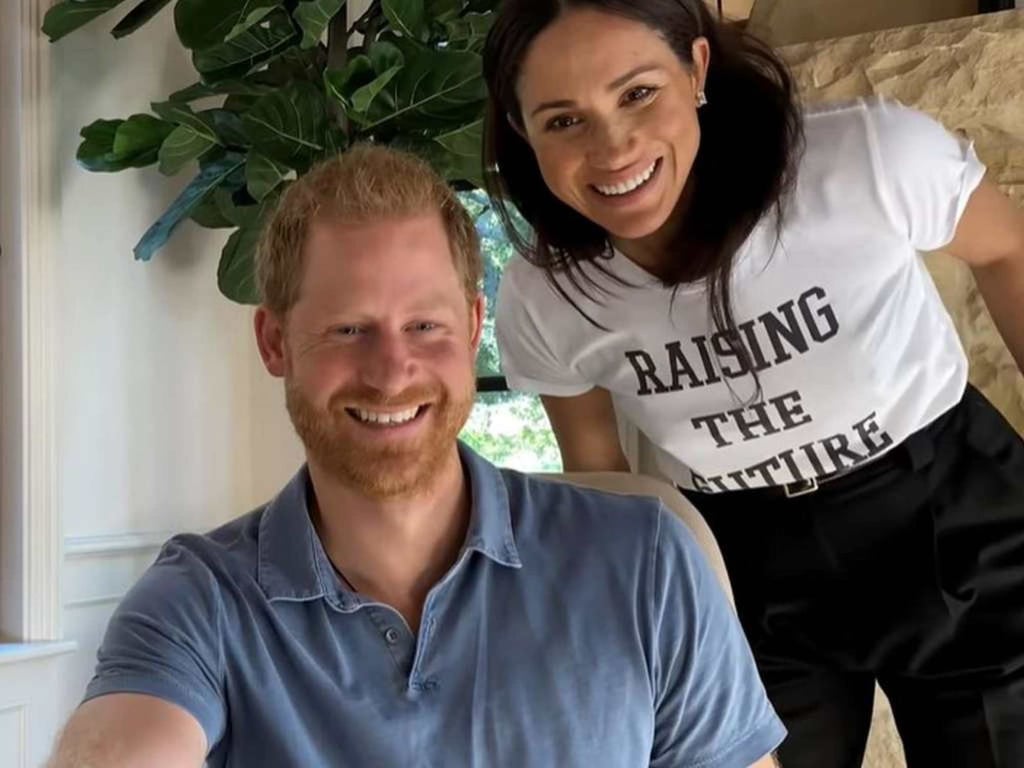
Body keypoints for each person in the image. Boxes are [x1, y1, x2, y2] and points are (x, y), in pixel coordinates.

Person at [48, 144, 784, 768]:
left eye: (425, 325)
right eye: (346, 330)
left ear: (471, 328)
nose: (391, 372)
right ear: (275, 343)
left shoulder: (645, 560)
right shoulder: (200, 600)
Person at [482, 2, 1024, 767]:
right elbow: (603, 479)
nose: (613, 148)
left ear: (697, 69)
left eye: (638, 93)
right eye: (563, 121)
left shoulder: (864, 157)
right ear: (521, 130)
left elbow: (1007, 250)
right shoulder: (546, 296)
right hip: (745, 570)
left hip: (946, 514)